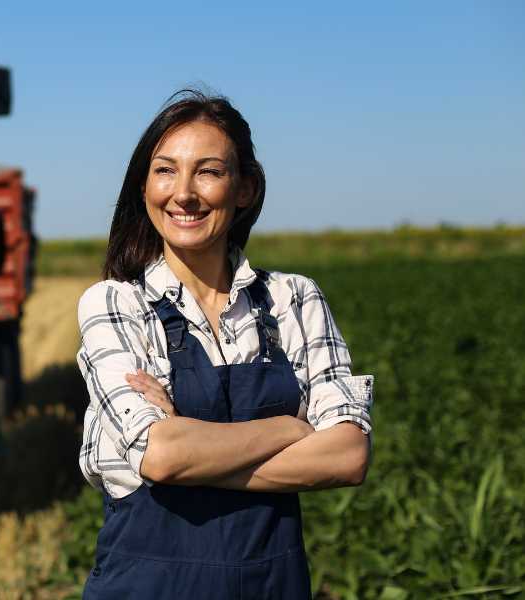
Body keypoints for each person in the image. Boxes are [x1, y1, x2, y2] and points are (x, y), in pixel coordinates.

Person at [77, 90, 373, 599]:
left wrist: (191, 454)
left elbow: (346, 456)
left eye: (209, 171)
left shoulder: (294, 300)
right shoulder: (115, 304)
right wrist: (287, 427)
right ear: (143, 186)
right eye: (165, 170)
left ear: (245, 189)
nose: (184, 193)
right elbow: (162, 455)